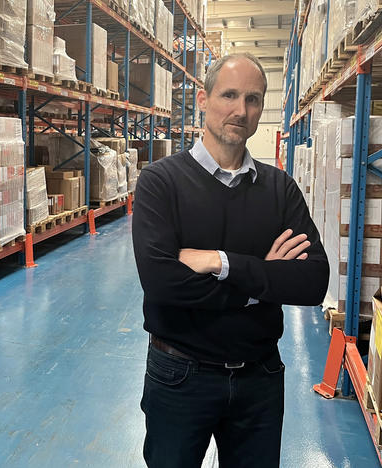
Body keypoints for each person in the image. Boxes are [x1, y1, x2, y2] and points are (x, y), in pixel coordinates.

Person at [131, 53, 329, 468]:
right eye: (230, 95)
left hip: (259, 375)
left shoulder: (279, 189)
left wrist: (222, 263)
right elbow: (164, 284)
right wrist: (264, 280)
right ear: (203, 99)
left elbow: (312, 282)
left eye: (254, 99)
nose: (241, 110)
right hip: (180, 374)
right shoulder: (160, 182)